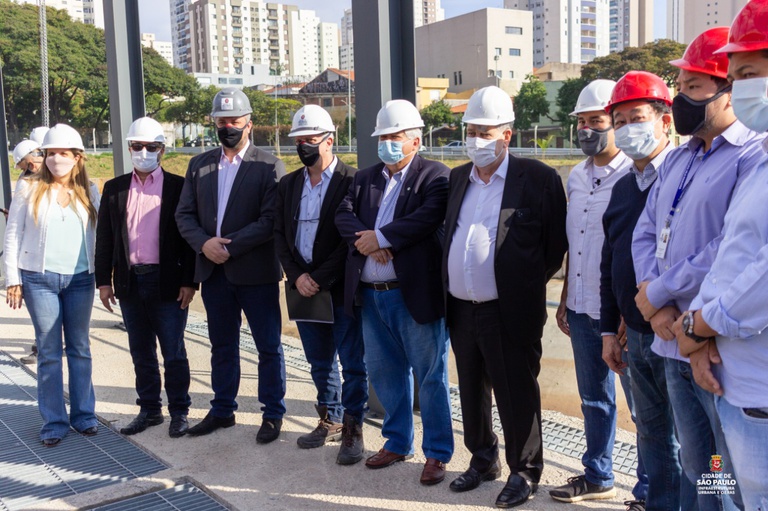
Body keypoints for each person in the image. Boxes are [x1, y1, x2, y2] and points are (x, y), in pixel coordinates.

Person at [633, 27, 766, 510]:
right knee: (697, 460)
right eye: (680, 86)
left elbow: (731, 247)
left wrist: (664, 291)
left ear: (728, 94)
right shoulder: (681, 157)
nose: (681, 98)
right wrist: (655, 305)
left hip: (716, 344)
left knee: (727, 469)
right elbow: (646, 229)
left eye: (694, 87)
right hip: (672, 336)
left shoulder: (752, 157)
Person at [443, 86, 567, 508]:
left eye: (485, 131)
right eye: (470, 130)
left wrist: (520, 283)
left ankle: (524, 470)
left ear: (507, 135)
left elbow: (553, 247)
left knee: (516, 394)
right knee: (471, 391)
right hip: (461, 309)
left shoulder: (538, 179)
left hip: (508, 310)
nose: (476, 139)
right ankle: (482, 460)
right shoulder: (458, 177)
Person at [671, 3, 768, 506]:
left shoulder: (747, 155)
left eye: (748, 74)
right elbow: (734, 250)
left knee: (728, 479)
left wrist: (696, 323)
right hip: (709, 356)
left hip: (751, 379)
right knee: (704, 464)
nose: (741, 86)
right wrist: (692, 331)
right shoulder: (757, 163)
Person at [335, 99, 453, 485]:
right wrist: (368, 241)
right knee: (385, 375)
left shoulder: (435, 176)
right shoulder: (365, 177)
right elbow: (343, 213)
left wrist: (383, 237)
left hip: (412, 294)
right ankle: (397, 441)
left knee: (430, 376)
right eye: (382, 137)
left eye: (395, 137)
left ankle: (437, 453)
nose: (387, 143)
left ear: (415, 140)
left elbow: (427, 217)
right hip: (371, 295)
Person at [550, 79, 648, 505]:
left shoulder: (637, 174)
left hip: (623, 312)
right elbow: (579, 240)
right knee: (593, 397)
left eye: (598, 121)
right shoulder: (576, 176)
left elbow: (639, 252)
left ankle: (650, 488)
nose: (588, 129)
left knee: (645, 408)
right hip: (581, 305)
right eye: (582, 122)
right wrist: (566, 295)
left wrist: (629, 311)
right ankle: (598, 475)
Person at [175, 88, 287, 443]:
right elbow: (184, 214)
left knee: (268, 345)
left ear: (249, 124)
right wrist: (205, 244)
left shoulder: (269, 165)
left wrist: (230, 247)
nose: (227, 127)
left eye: (234, 121)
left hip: (256, 273)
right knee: (222, 345)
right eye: (221, 121)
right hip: (215, 272)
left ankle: (272, 414)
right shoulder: (200, 164)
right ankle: (223, 408)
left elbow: (271, 220)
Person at [600, 71, 682, 511]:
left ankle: (711, 502)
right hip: (635, 334)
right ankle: (660, 503)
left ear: (665, 121)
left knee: (703, 439)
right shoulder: (623, 188)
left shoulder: (687, 175)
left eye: (638, 117)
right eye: (621, 120)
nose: (628, 128)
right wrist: (608, 331)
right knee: (651, 432)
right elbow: (608, 263)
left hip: (681, 333)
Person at [274, 105, 367, 464]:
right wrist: (297, 275)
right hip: (303, 287)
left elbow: (351, 241)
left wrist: (319, 277)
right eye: (298, 141)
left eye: (310, 140)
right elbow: (280, 233)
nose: (303, 147)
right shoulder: (288, 184)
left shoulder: (353, 181)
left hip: (340, 286)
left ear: (330, 141)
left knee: (352, 360)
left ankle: (353, 427)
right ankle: (330, 417)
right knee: (319, 360)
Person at [95, 117, 196, 438]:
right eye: (137, 146)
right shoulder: (115, 188)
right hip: (130, 282)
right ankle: (150, 409)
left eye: (151, 147)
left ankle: (179, 411)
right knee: (140, 351)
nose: (143, 152)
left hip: (168, 282)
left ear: (162, 150)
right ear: (128, 148)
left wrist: (190, 282)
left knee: (174, 351)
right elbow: (105, 239)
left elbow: (189, 239)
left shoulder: (179, 187)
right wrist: (103, 281)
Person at [4, 123, 100, 447]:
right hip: (38, 279)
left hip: (80, 281)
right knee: (48, 350)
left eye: (63, 153)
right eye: (50, 153)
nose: (56, 159)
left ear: (77, 157)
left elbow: (103, 236)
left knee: (80, 348)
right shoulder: (28, 189)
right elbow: (13, 233)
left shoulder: (91, 191)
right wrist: (12, 280)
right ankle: (54, 421)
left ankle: (84, 416)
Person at [9, 138, 46, 364]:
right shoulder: (26, 183)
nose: (25, 171)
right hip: (36, 264)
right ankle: (41, 347)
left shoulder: (69, 179)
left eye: (23, 166)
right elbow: (16, 227)